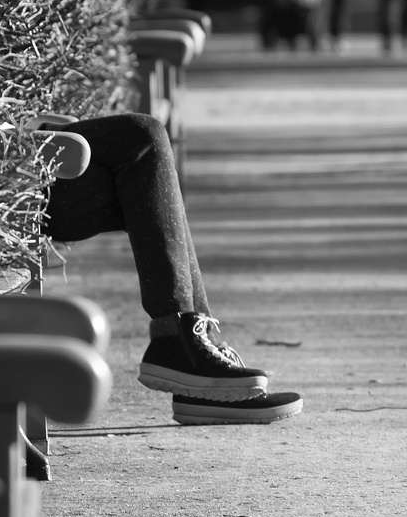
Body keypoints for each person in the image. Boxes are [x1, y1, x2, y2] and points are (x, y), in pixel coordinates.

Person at [42, 112, 303, 425]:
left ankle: (199, 365)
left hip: (12, 147)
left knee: (149, 169)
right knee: (141, 136)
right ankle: (184, 343)